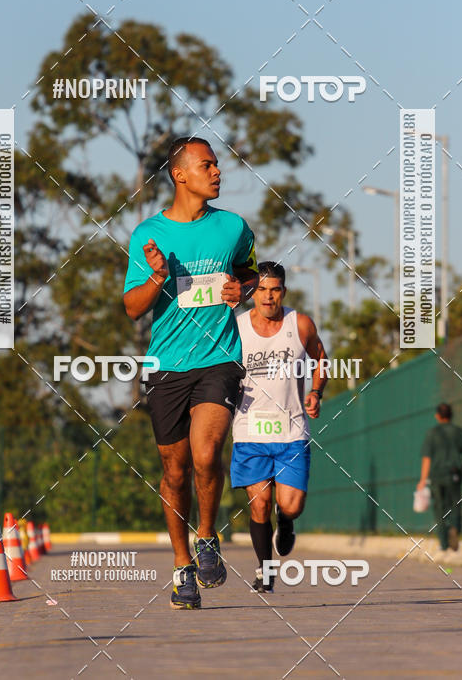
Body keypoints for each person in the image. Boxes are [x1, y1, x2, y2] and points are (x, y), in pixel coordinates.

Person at [123, 137, 258, 609]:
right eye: (208, 165)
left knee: (206, 453)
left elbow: (249, 272)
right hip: (166, 368)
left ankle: (206, 537)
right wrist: (157, 278)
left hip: (219, 360)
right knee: (174, 471)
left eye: (218, 165)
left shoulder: (234, 227)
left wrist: (240, 287)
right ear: (180, 174)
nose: (218, 172)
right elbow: (131, 309)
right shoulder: (149, 235)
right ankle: (182, 565)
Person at [231, 261, 327, 592]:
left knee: (291, 505)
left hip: (292, 432)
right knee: (259, 504)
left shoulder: (299, 324)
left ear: (283, 292)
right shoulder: (237, 328)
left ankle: (285, 523)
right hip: (249, 432)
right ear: (252, 293)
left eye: (274, 290)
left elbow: (320, 359)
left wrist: (316, 391)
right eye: (261, 290)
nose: (268, 297)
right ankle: (265, 569)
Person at [417, 403, 462, 552]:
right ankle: (455, 528)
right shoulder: (460, 432)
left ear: (437, 416)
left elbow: (427, 458)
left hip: (436, 476)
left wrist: (423, 480)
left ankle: (444, 544)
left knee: (440, 508)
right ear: (451, 415)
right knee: (456, 505)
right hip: (454, 474)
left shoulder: (432, 434)